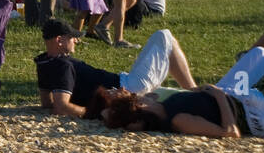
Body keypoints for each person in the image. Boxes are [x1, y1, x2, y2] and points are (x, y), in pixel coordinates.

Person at [97, 46, 264, 138]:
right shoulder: (177, 120)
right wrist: (219, 96)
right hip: (259, 113)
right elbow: (230, 132)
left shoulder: (167, 106)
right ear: (139, 106)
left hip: (248, 99)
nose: (139, 94)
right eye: (135, 97)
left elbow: (108, 115)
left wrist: (204, 91)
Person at [34, 19, 196, 119]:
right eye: (72, 37)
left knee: (166, 49)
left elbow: (47, 103)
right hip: (129, 87)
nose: (76, 40)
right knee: (164, 36)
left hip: (124, 86)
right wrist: (91, 112)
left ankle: (193, 94)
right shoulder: (63, 65)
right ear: (59, 40)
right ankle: (195, 92)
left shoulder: (44, 62)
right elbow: (61, 106)